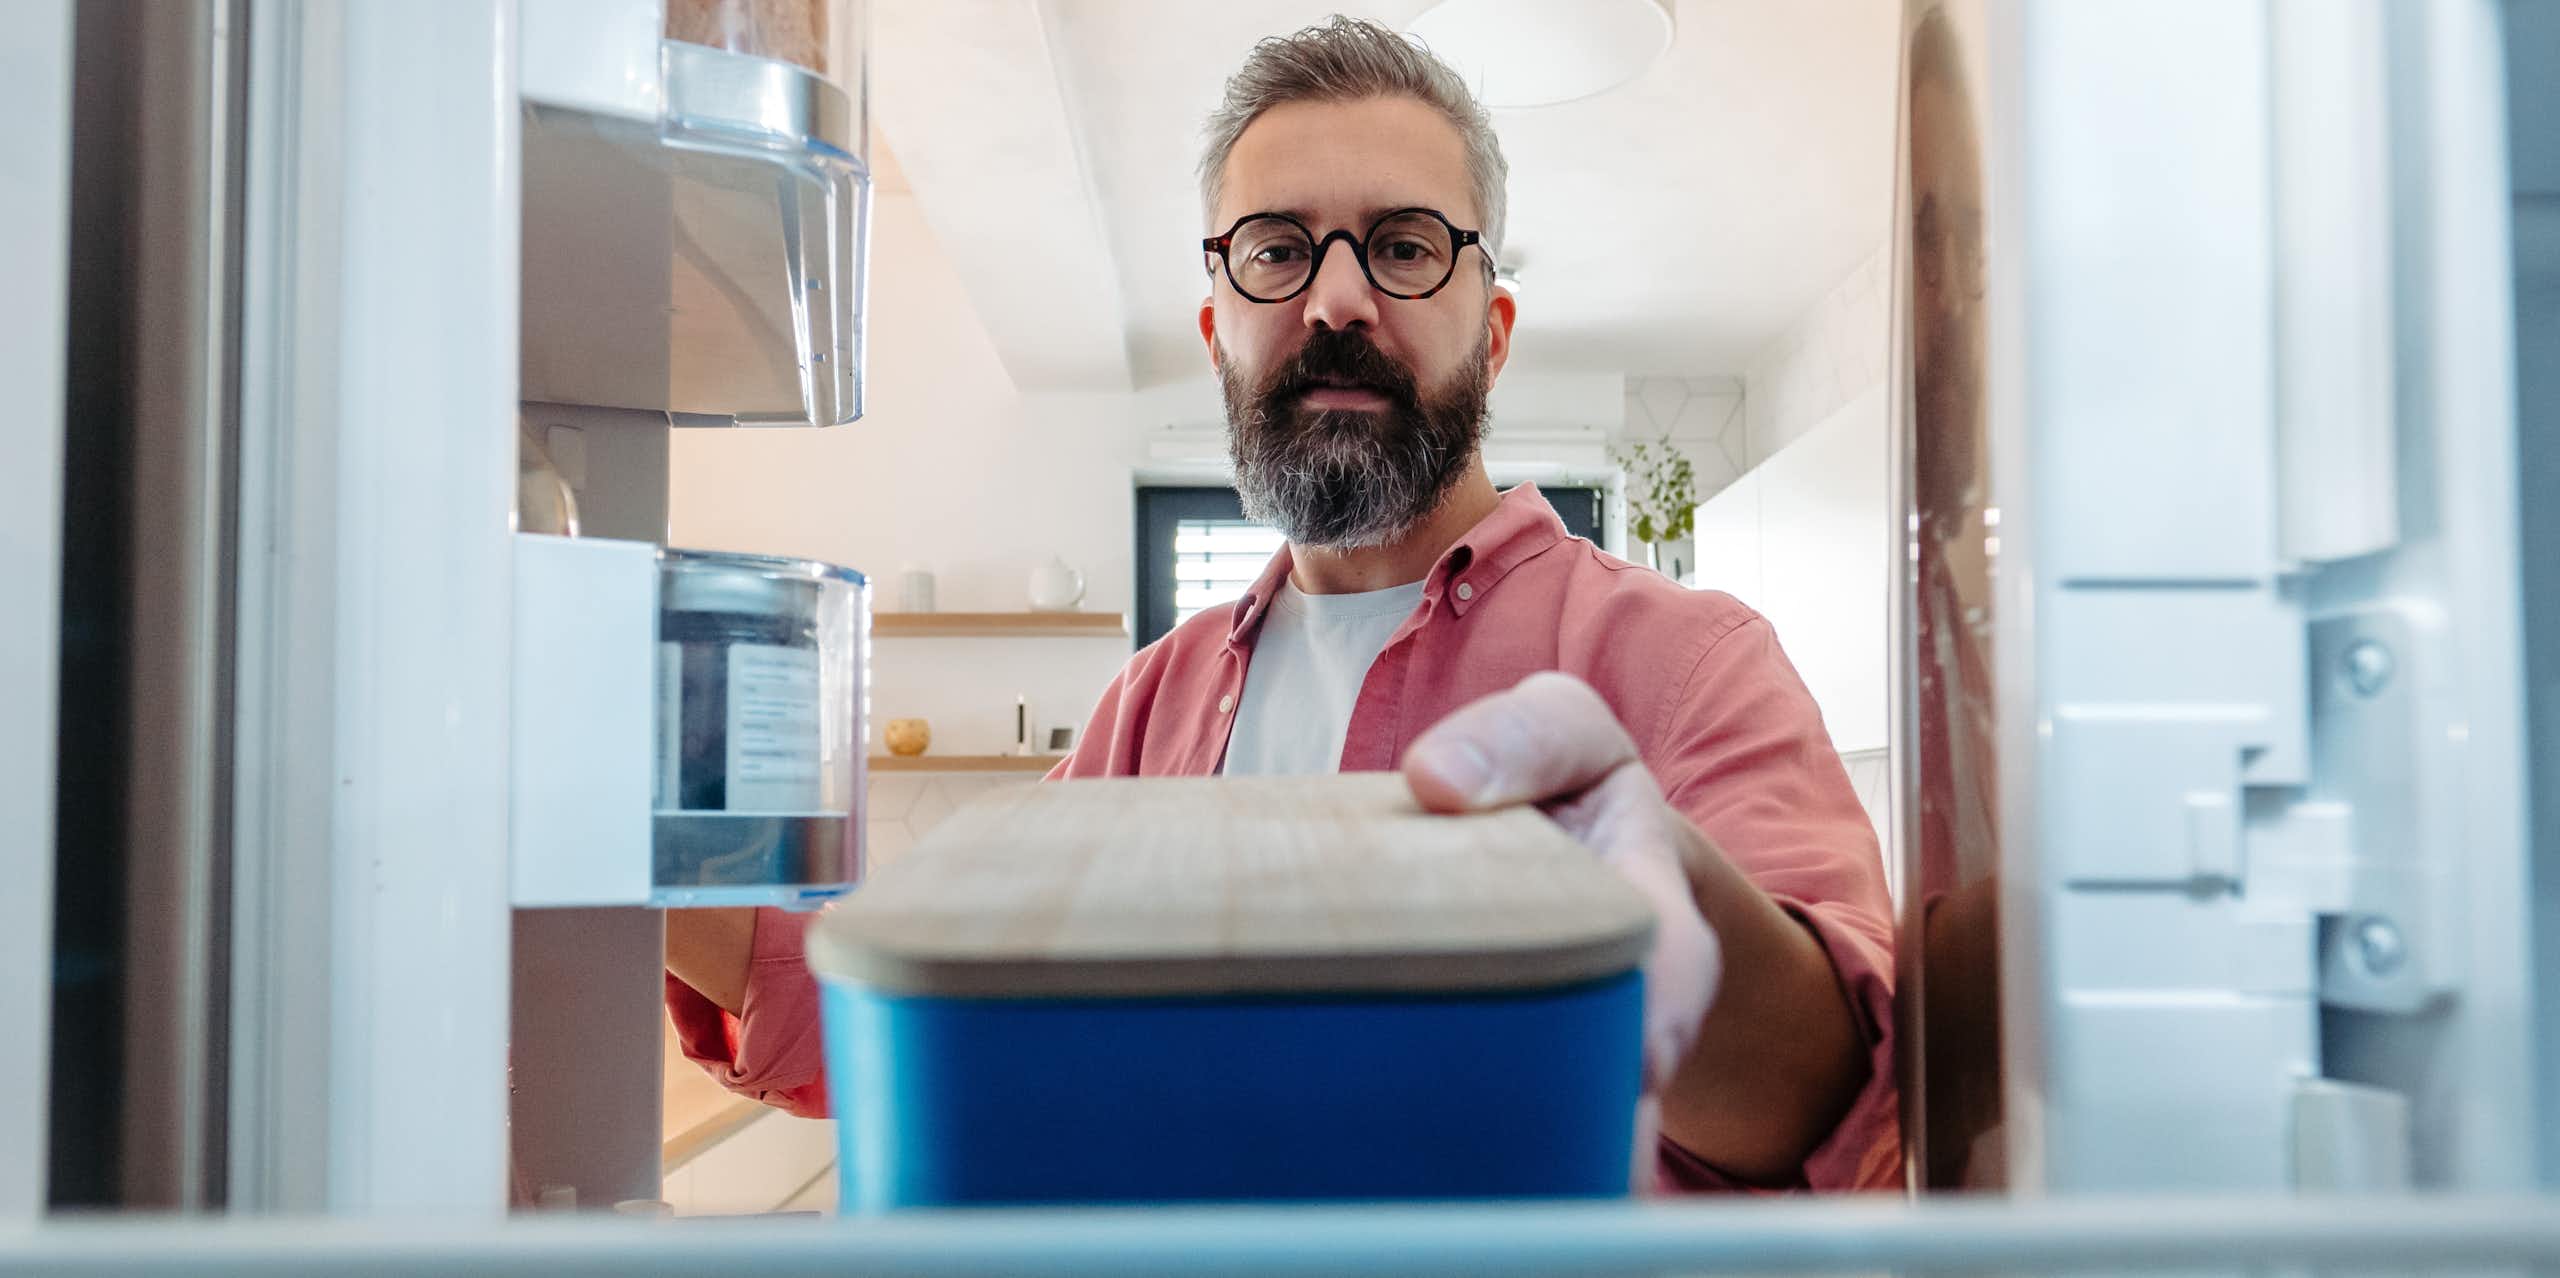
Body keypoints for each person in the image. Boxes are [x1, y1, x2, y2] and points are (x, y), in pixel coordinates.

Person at [666, 15, 1899, 1192]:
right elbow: (927, 1014)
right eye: (1277, 250)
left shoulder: (1690, 662)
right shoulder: (1150, 708)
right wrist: (610, 835)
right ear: (1218, 332)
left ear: (1497, 328)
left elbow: (1854, 1106)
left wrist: (1670, 913)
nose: (1339, 299)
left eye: (1407, 245)